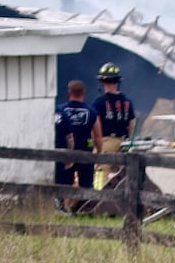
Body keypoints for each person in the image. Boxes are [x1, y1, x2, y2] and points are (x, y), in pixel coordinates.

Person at [51, 79, 97, 212]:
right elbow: (97, 134)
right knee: (86, 183)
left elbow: (63, 135)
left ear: (69, 92)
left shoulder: (60, 111)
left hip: (64, 153)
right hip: (86, 152)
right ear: (84, 93)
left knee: (64, 182)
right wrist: (98, 150)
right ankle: (84, 208)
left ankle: (62, 207)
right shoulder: (91, 111)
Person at [93, 62, 136, 187]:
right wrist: (129, 140)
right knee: (124, 174)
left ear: (102, 82)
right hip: (124, 142)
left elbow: (96, 126)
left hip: (106, 142)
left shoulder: (99, 102)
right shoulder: (127, 102)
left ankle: (98, 198)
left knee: (101, 170)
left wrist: (97, 145)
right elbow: (132, 123)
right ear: (117, 82)